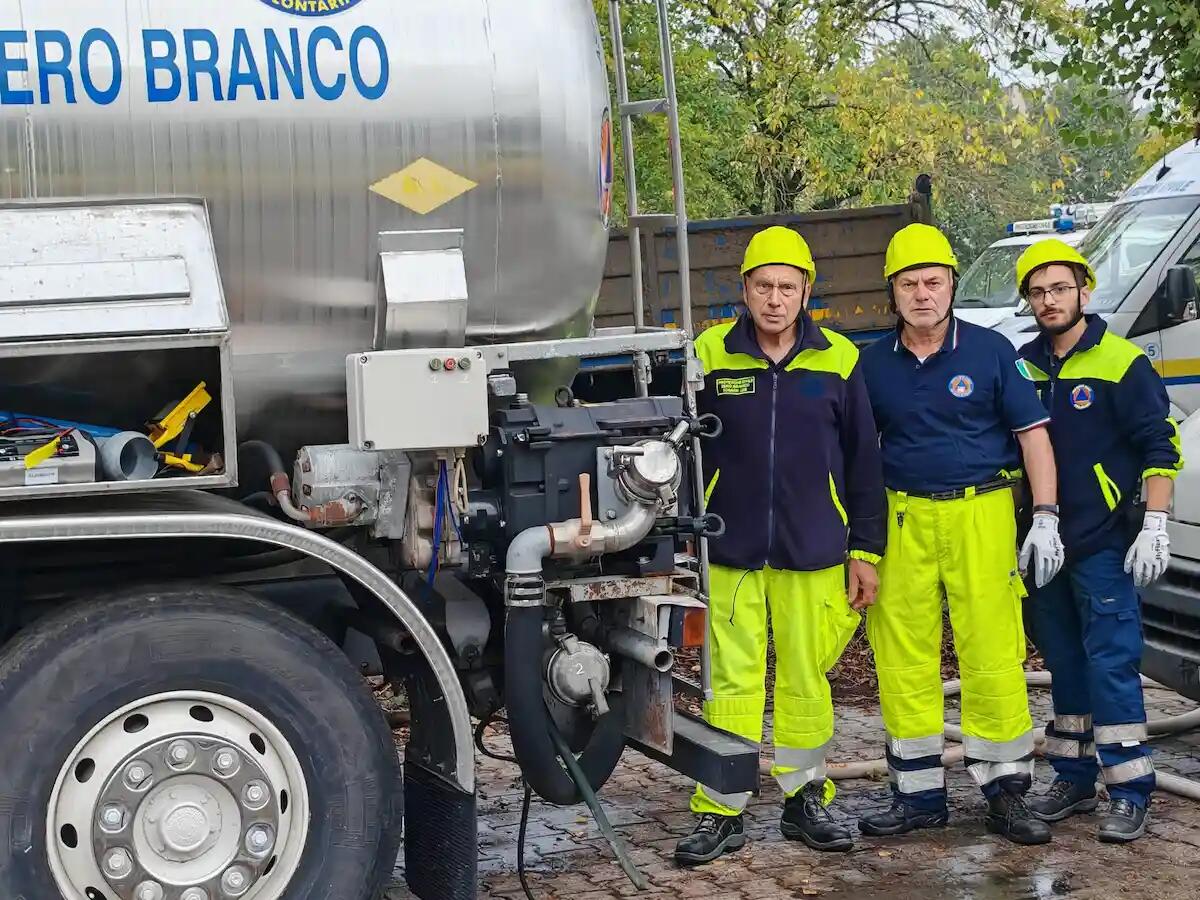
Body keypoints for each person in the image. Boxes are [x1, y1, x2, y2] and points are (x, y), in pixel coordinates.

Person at [674, 225, 887, 865]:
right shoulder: (708, 355)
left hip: (816, 552)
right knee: (729, 686)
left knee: (805, 682)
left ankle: (805, 801)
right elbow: (679, 457)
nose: (774, 299)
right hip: (729, 550)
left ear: (805, 293)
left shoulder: (840, 360)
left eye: (787, 287)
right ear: (744, 289)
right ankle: (721, 810)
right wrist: (684, 540)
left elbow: (865, 464)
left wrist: (866, 552)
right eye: (763, 286)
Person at [858, 223, 1063, 845]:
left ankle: (1006, 795)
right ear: (891, 292)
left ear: (952, 285)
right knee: (902, 655)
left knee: (994, 652)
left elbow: (1034, 437)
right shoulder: (867, 366)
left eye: (934, 281)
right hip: (902, 519)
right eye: (910, 283)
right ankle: (918, 795)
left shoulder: (992, 352)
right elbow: (855, 453)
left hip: (981, 512)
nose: (923, 294)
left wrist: (1046, 516)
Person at [1013, 239, 1182, 842]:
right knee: (1064, 664)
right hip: (1042, 544)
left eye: (1059, 288)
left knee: (1112, 665)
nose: (1048, 300)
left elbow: (1161, 445)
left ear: (1083, 290)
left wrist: (1155, 523)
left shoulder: (1120, 363)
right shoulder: (1023, 365)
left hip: (1106, 542)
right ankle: (1073, 776)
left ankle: (1130, 788)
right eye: (1037, 292)